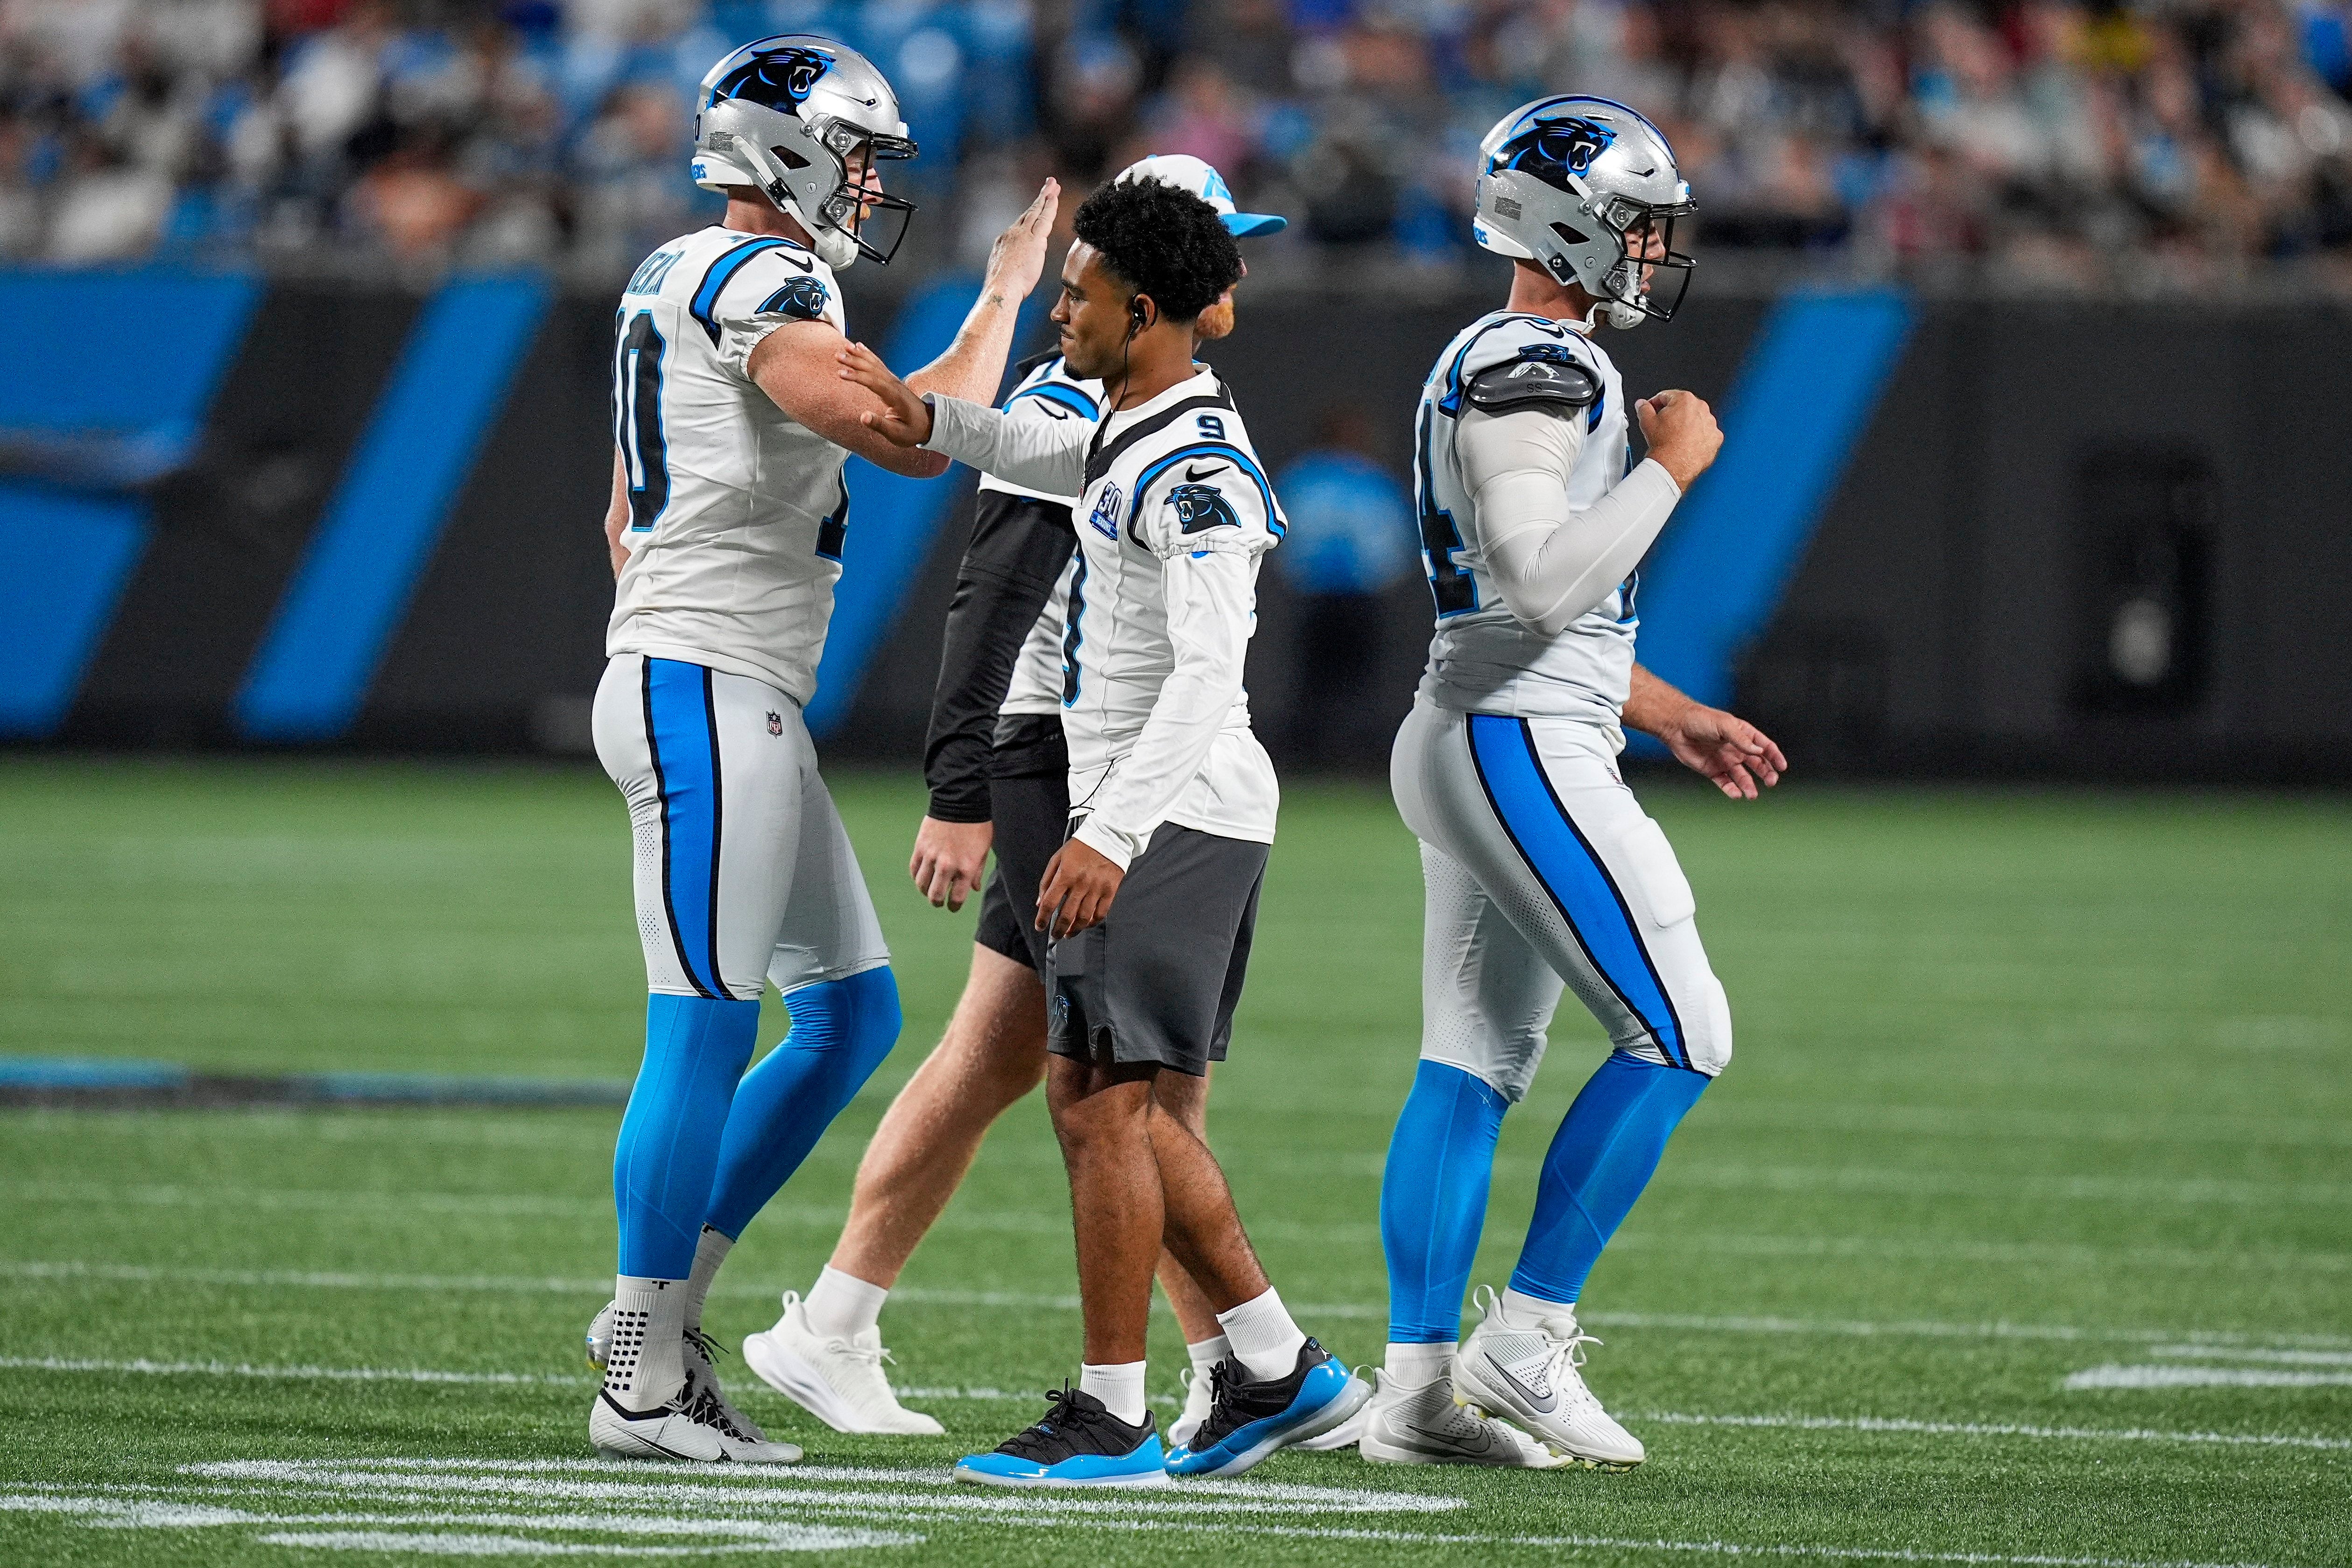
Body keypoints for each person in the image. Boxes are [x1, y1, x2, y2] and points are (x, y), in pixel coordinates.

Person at [734, 154, 1304, 1451]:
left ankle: (1229, 1367)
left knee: (1087, 1084)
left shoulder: (1163, 425)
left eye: (1076, 290)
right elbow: (998, 580)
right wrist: (973, 784)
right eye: (1219, 251)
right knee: (1102, 1090)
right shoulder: (1114, 401)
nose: (1236, 280)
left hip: (1137, 792)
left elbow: (1196, 658)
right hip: (1083, 781)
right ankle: (1234, 1369)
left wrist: (1086, 819)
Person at [581, 32, 1059, 1463]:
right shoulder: (762, 278)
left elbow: (620, 513)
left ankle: (664, 1330)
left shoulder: (674, 272)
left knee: (847, 1014)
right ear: (787, 151)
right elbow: (898, 435)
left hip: (717, 681)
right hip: (704, 685)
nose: (869, 178)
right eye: (858, 150)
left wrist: (992, 307)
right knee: (708, 1019)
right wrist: (1015, 361)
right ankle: (639, 1373)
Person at [1362, 96, 1789, 1471]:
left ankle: (1416, 1394)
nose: (1652, 248)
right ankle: (1525, 1336)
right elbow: (1544, 580)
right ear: (1565, 220)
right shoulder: (1530, 361)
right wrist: (1671, 468)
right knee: (1683, 1031)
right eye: (1633, 220)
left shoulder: (1527, 355)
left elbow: (1533, 613)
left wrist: (1665, 712)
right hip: (1513, 741)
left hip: (1495, 720)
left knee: (1471, 1064)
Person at [1271, 404, 1417, 766]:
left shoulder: (1313, 478)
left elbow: (1396, 542)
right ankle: (1314, 756)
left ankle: (1351, 754)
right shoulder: (1334, 478)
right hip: (1324, 597)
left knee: (1354, 679)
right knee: (1320, 678)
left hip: (1353, 599)